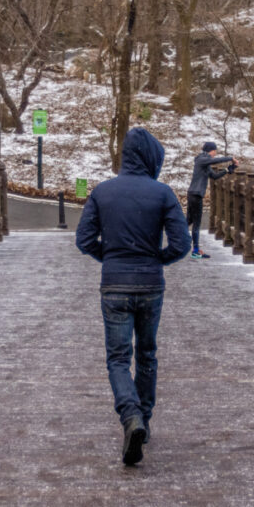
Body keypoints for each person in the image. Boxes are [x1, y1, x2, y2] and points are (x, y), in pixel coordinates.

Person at [75, 127, 190, 466]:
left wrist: (109, 258)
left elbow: (83, 240)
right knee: (148, 354)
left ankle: (130, 417)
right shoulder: (163, 193)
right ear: (151, 157)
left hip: (114, 285)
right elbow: (181, 245)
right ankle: (145, 420)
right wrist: (156, 260)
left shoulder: (103, 192)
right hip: (151, 284)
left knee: (118, 359)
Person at [186, 141, 236, 258]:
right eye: (215, 151)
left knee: (189, 221)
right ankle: (195, 251)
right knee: (196, 224)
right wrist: (230, 158)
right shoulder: (202, 159)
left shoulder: (205, 163)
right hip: (196, 194)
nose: (215, 153)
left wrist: (229, 169)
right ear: (210, 150)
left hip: (194, 194)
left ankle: (176, 240)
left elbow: (214, 176)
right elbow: (215, 161)